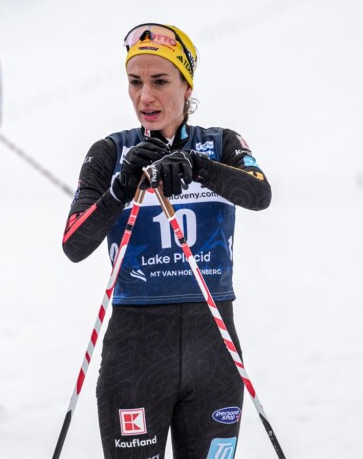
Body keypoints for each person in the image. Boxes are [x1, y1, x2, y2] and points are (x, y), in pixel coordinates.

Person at [62, 23, 272, 458]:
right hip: (135, 352)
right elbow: (74, 244)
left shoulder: (220, 144)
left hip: (213, 349)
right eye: (135, 82)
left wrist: (199, 167)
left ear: (186, 85)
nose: (145, 97)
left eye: (160, 81)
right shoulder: (109, 153)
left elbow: (260, 194)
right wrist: (120, 189)